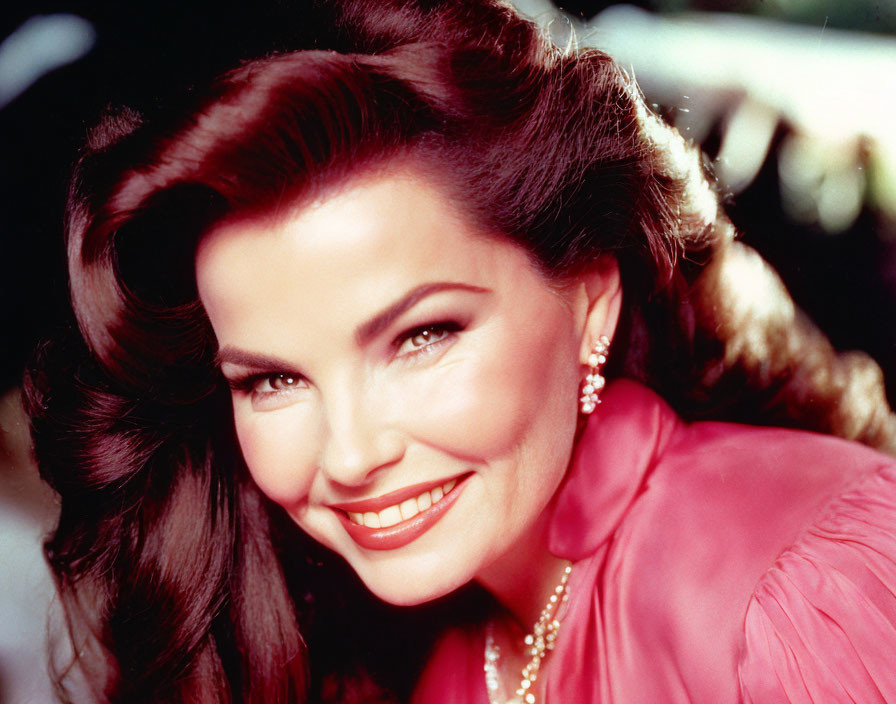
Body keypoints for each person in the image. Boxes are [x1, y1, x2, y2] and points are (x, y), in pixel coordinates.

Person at [24, 0, 896, 702]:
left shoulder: (797, 585)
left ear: (592, 300)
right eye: (275, 380)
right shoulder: (447, 660)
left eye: (423, 336)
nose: (354, 455)